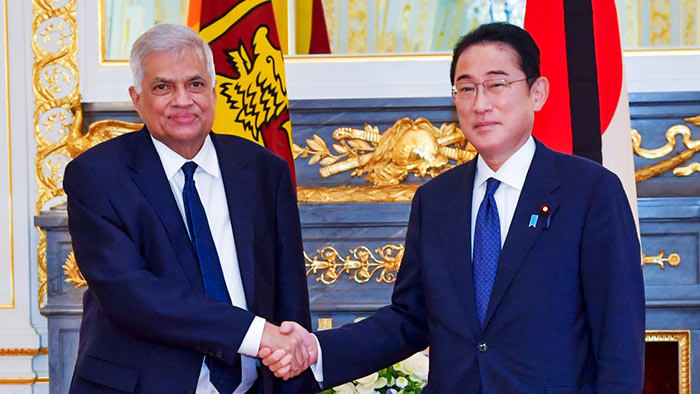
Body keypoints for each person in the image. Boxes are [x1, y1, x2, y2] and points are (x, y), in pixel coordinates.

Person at [261, 22, 645, 393]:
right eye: (466, 88)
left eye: (497, 84)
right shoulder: (436, 200)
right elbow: (410, 319)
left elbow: (618, 334)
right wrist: (316, 349)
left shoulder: (589, 191)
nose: (481, 103)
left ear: (537, 92)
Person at [64, 23, 316, 393]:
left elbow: (289, 295)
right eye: (163, 87)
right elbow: (134, 296)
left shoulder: (264, 170)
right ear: (137, 99)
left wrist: (293, 362)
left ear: (213, 93)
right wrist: (255, 334)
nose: (182, 100)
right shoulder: (96, 176)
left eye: (195, 84)